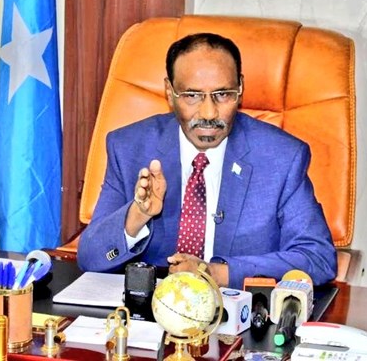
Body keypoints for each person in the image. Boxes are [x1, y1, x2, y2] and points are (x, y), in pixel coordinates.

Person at [77, 32, 337, 289]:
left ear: (240, 89)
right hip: (152, 308)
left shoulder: (282, 157)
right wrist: (138, 214)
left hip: (238, 306)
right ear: (169, 92)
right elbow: (90, 258)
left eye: (223, 94)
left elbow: (318, 258)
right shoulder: (129, 148)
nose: (209, 113)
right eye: (192, 95)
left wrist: (215, 273)